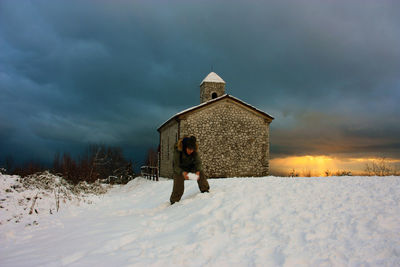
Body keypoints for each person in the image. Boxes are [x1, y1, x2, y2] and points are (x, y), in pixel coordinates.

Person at [170, 135, 210, 205]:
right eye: (189, 149)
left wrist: (197, 171)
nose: (191, 151)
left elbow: (198, 163)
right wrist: (182, 173)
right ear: (185, 147)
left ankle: (205, 190)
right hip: (180, 169)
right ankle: (174, 201)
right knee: (178, 178)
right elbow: (175, 166)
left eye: (192, 150)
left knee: (200, 171)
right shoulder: (178, 151)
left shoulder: (194, 151)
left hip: (191, 168)